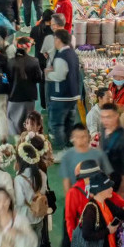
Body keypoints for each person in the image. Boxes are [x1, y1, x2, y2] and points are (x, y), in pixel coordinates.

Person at [71, 172, 124, 247]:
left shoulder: (107, 203)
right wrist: (108, 231)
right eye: (108, 187)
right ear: (99, 190)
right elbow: (87, 235)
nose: (111, 189)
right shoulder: (90, 209)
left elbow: (120, 213)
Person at [46, 29, 80, 157]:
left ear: (58, 40)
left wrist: (49, 74)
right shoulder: (72, 53)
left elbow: (59, 76)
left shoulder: (61, 57)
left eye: (55, 39)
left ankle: (61, 151)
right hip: (72, 95)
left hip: (61, 96)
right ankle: (68, 147)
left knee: (57, 124)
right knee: (68, 123)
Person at [14, 142, 47, 247]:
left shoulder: (19, 179)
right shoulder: (42, 174)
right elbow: (43, 192)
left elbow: (19, 201)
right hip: (39, 217)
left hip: (25, 219)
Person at [7, 36, 42, 139]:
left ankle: (18, 143)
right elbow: (39, 79)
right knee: (29, 123)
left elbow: (4, 78)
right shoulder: (34, 61)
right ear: (28, 48)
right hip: (29, 98)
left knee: (13, 123)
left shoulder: (9, 62)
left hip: (13, 97)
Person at [98, 103, 124, 198]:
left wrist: (121, 191)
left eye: (108, 117)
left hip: (116, 183)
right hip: (103, 180)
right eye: (102, 117)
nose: (105, 120)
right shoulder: (103, 129)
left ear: (116, 116)